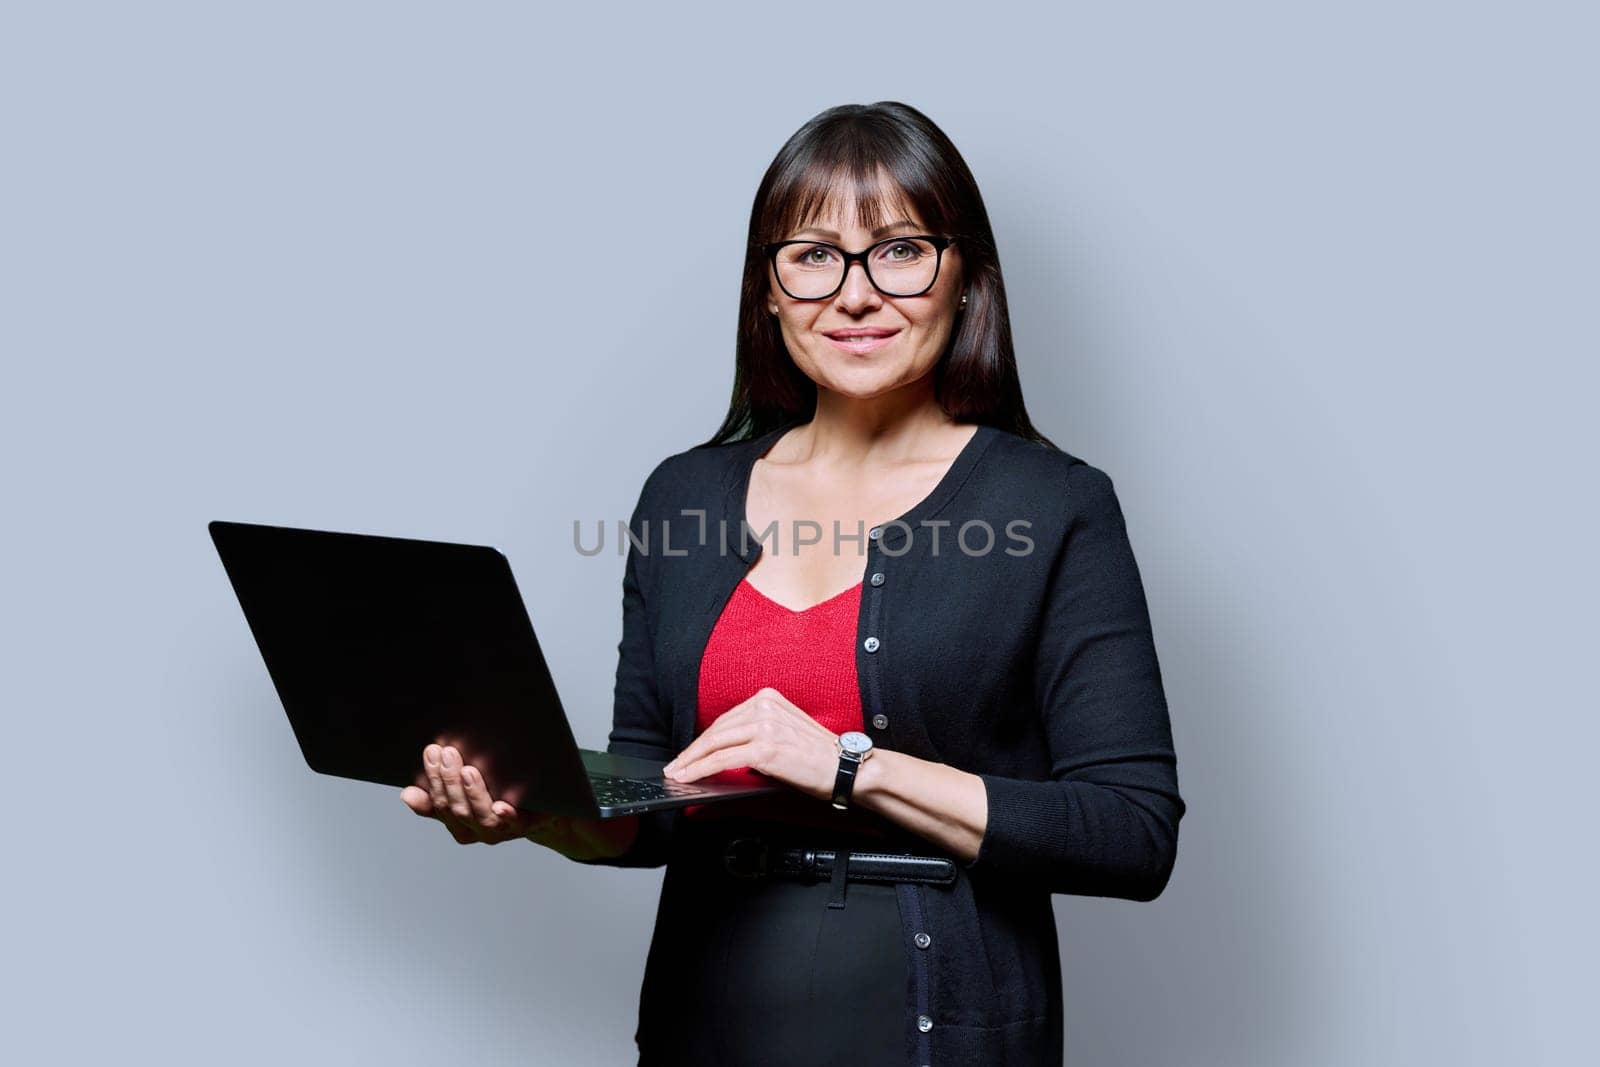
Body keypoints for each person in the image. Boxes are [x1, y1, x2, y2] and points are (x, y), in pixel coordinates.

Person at [400, 100, 1185, 1066]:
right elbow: (657, 804)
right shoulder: (682, 495)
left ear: (968, 279)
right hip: (709, 1017)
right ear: (767, 291)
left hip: (938, 1028)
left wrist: (852, 767)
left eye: (900, 250)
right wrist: (539, 814)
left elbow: (1133, 832)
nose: (854, 294)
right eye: (812, 255)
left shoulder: (1055, 506)